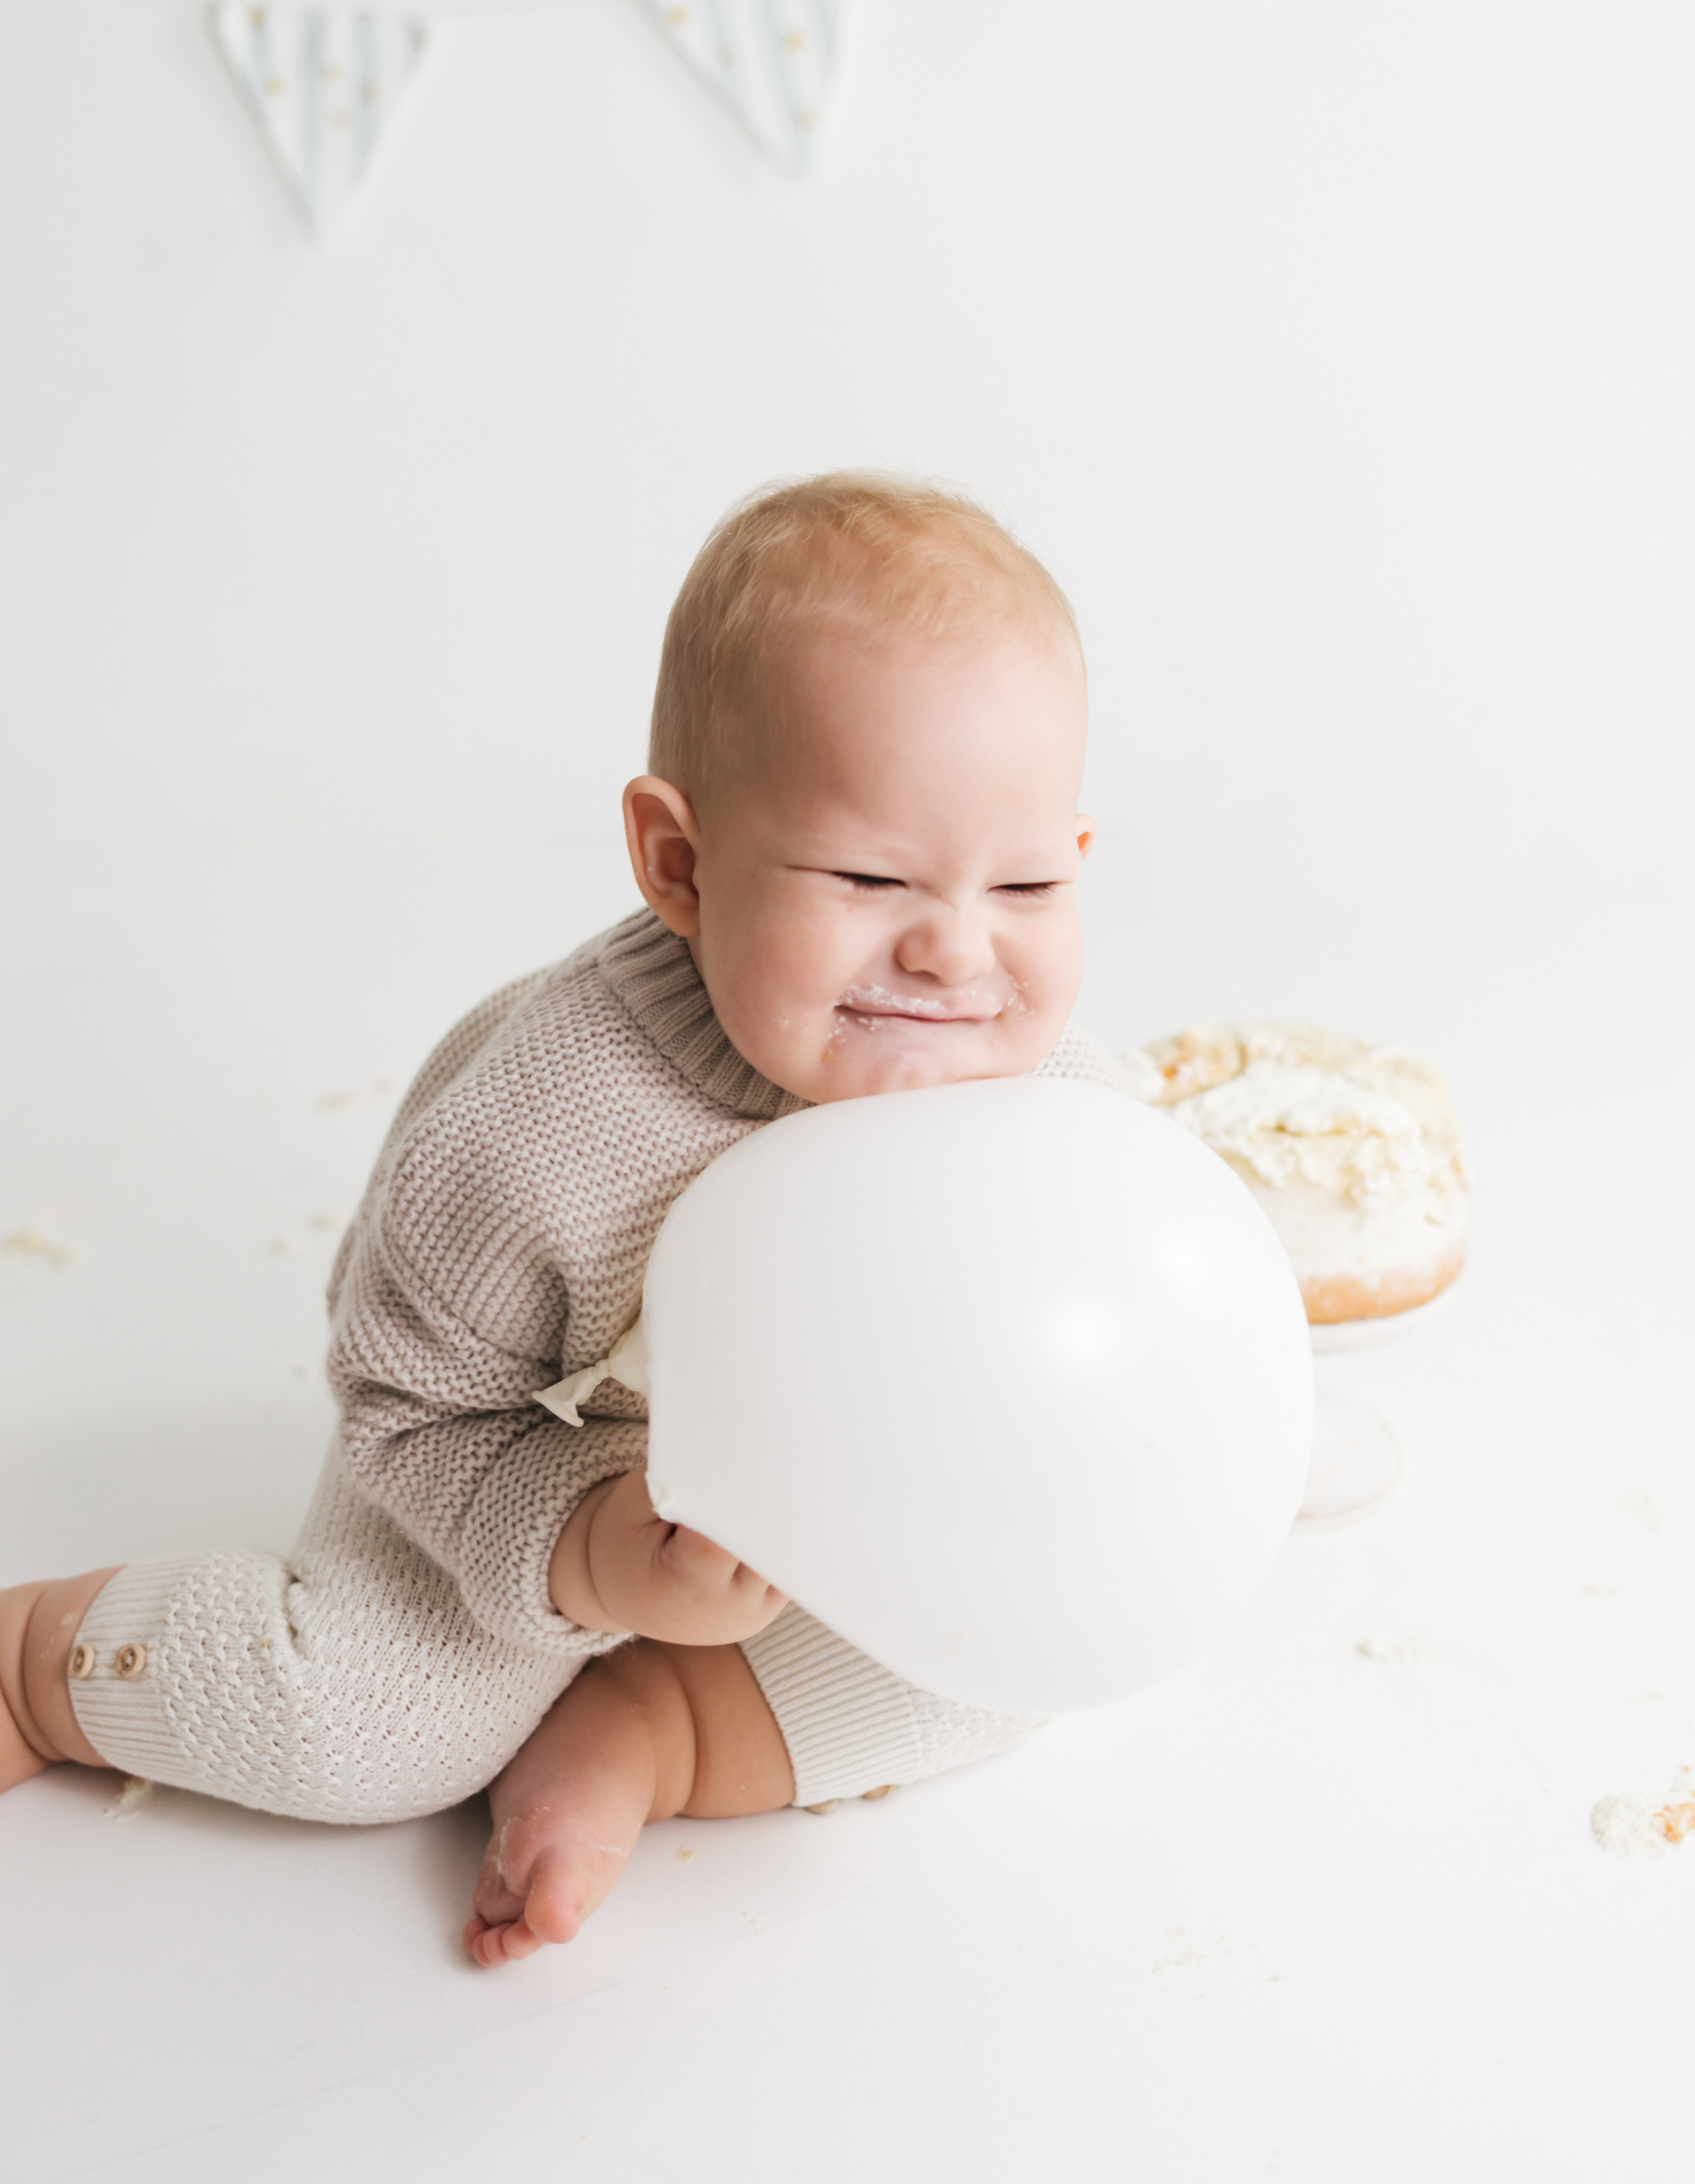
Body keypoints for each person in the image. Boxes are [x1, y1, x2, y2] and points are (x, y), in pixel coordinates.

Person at [0, 470, 1125, 1965]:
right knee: (368, 1730)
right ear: (679, 860)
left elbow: (1122, 1308)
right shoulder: (547, 1128)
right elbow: (410, 1406)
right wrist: (592, 1549)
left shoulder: (1052, 1097)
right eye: (868, 876)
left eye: (1027, 881)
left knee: (1022, 1656)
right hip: (515, 1447)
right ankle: (39, 1667)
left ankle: (653, 1726)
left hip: (810, 1503)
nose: (954, 950)